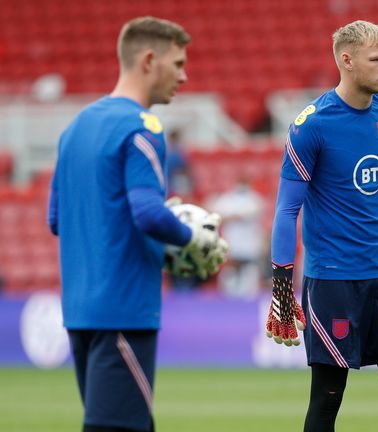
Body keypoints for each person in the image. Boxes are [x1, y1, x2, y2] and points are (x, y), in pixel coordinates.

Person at [47, 17, 227, 432]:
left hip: (80, 313)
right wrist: (191, 239)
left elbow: (56, 220)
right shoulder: (142, 127)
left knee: (131, 422)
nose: (184, 75)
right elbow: (147, 212)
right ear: (149, 60)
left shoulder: (74, 129)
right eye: (178, 63)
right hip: (124, 310)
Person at [265, 20, 378, 432]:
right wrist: (281, 285)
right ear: (347, 60)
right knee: (327, 397)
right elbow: (287, 210)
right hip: (334, 283)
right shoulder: (312, 124)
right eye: (377, 59)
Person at [209, 177, 266, 298]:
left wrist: (230, 216)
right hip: (231, 249)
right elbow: (214, 214)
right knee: (229, 285)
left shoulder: (254, 199)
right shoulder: (227, 198)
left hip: (249, 249)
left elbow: (248, 213)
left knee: (249, 289)